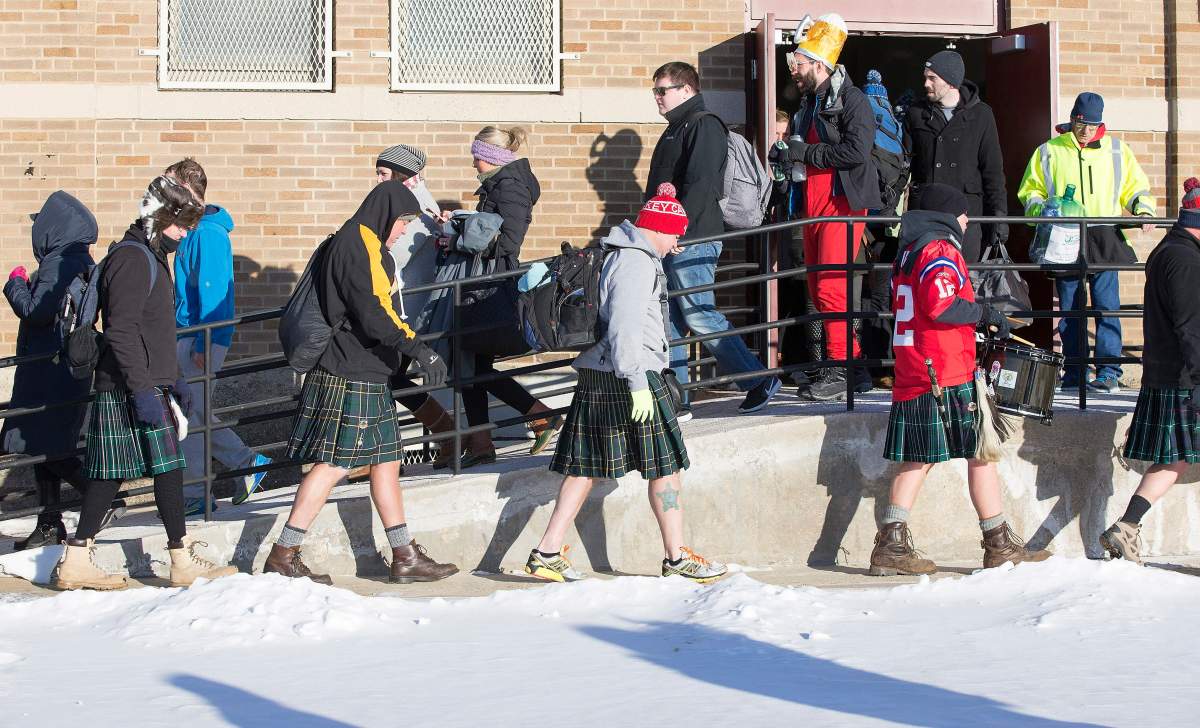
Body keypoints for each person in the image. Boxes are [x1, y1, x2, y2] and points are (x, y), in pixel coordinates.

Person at [527, 184, 728, 583]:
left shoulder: (624, 255)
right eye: (675, 234)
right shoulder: (635, 263)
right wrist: (638, 382)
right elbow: (624, 327)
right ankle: (675, 557)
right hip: (630, 374)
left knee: (585, 466)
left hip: (605, 374)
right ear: (658, 228)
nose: (677, 244)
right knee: (666, 467)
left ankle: (547, 551)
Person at [263, 181, 457, 585]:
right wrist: (419, 349)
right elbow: (372, 311)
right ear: (385, 214)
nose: (402, 230)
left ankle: (404, 555)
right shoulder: (357, 243)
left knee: (387, 461)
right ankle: (283, 553)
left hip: (367, 369)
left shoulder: (367, 242)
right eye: (402, 222)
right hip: (348, 370)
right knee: (332, 464)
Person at [53, 173, 237, 590]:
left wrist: (174, 379)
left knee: (167, 469)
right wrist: (141, 390)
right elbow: (121, 331)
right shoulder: (132, 259)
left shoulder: (151, 256)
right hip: (127, 386)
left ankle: (177, 556)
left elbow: (156, 330)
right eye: (181, 224)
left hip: (148, 381)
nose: (185, 232)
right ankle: (81, 557)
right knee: (110, 475)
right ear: (158, 216)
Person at [870, 183, 1050, 575]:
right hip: (943, 370)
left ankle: (893, 543)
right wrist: (984, 314)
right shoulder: (939, 250)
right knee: (979, 453)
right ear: (948, 216)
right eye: (963, 214)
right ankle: (996, 545)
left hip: (918, 366)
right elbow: (942, 304)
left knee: (920, 458)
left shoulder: (910, 250)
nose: (967, 221)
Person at [647, 61, 782, 417]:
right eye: (655, 91)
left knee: (699, 314)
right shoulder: (676, 128)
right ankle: (678, 400)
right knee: (670, 320)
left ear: (686, 90)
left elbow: (701, 184)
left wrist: (677, 230)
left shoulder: (704, 126)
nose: (657, 97)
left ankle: (757, 379)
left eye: (663, 90)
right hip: (668, 238)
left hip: (692, 236)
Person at [771, 14, 881, 401]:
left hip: (842, 205)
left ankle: (841, 369)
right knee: (819, 288)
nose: (793, 70)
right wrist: (786, 154)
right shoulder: (809, 103)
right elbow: (806, 149)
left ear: (818, 63)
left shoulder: (854, 101)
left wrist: (807, 152)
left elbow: (856, 151)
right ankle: (854, 368)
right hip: (813, 205)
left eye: (797, 64)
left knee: (833, 287)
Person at [1018, 92, 1157, 393]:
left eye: (1092, 126)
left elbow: (1135, 187)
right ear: (1072, 119)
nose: (1085, 131)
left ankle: (1108, 373)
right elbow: (1030, 192)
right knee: (1070, 310)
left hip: (1104, 236)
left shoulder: (1117, 150)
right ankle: (1075, 373)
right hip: (1065, 237)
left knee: (1107, 307)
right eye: (1081, 124)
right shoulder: (1049, 151)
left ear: (1100, 124)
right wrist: (1040, 211)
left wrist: (1143, 209)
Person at [444, 125, 562, 469]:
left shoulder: (509, 187)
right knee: (470, 361)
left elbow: (508, 242)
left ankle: (535, 415)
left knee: (470, 359)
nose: (474, 164)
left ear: (492, 157)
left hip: (491, 284)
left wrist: (459, 237)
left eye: (477, 157)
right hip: (483, 281)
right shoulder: (501, 184)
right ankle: (487, 438)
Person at [1099, 179, 1200, 564]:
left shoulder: (1171, 250)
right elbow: (1192, 325)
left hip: (1173, 374)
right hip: (1185, 375)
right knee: (1177, 457)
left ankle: (1127, 527)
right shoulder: (1185, 260)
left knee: (1176, 459)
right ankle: (1126, 526)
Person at [168, 159, 270, 515]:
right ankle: (244, 465)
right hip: (192, 333)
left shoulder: (207, 235)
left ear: (186, 188)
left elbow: (211, 294)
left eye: (169, 185)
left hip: (201, 334)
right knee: (191, 412)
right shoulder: (195, 232)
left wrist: (202, 341)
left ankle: (203, 489)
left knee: (190, 414)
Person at [3, 191, 98, 550]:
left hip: (49, 372)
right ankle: (49, 524)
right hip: (59, 371)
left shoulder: (59, 265)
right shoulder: (78, 260)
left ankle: (99, 495)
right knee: (42, 446)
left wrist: (15, 283)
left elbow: (37, 312)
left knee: (46, 448)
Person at [904, 49, 1007, 265]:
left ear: (951, 81)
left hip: (966, 219)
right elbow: (904, 165)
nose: (926, 84)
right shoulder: (916, 113)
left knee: (963, 286)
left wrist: (999, 219)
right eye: (925, 78)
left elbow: (993, 172)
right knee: (925, 282)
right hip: (926, 216)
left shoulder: (981, 115)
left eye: (932, 78)